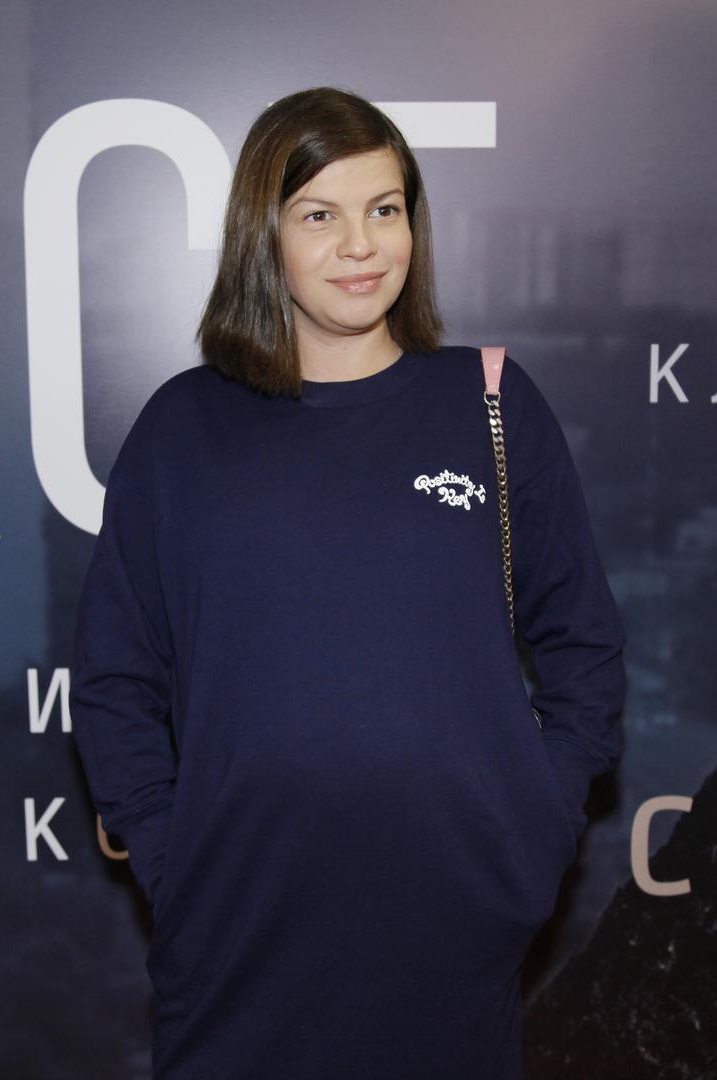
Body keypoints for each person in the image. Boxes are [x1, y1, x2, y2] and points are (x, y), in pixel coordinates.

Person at [70, 85, 626, 1079]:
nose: (361, 245)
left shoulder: (491, 403)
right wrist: (169, 858)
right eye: (319, 215)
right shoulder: (182, 429)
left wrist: (534, 827)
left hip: (457, 926)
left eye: (384, 208)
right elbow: (115, 673)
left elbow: (582, 643)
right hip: (235, 931)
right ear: (265, 235)